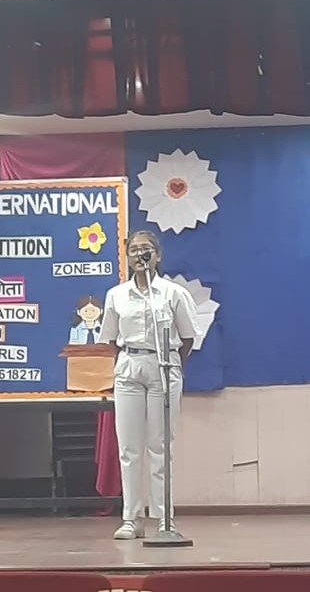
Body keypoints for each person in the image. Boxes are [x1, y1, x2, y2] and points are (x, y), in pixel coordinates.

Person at [98, 230, 200, 540]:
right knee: (129, 448)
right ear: (127, 257)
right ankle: (131, 518)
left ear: (157, 255)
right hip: (129, 366)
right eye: (134, 250)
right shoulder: (116, 295)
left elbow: (188, 337)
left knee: (161, 446)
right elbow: (111, 338)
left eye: (146, 249)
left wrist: (171, 364)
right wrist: (130, 359)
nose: (140, 254)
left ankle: (164, 518)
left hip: (164, 366)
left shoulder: (172, 293)